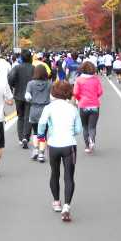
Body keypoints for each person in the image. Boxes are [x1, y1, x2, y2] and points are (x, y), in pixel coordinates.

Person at [37, 80, 81, 222]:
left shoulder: (49, 108)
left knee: (54, 173)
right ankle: (67, 206)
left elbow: (42, 124)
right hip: (69, 145)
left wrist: (42, 136)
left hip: (54, 144)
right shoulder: (73, 108)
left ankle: (56, 202)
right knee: (69, 177)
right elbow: (78, 130)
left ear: (54, 92)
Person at [73, 61, 103, 154]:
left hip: (83, 105)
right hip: (94, 105)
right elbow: (100, 92)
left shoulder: (78, 80)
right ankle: (92, 139)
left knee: (85, 126)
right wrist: (94, 97)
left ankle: (87, 146)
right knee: (92, 126)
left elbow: (75, 93)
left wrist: (79, 99)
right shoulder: (96, 79)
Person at [8, 49, 35, 148]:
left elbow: (10, 78)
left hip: (18, 94)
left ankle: (20, 138)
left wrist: (14, 85)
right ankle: (25, 137)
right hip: (30, 95)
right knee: (28, 117)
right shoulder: (33, 68)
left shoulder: (17, 67)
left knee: (20, 117)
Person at [25, 65, 51, 162]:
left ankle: (35, 149)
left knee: (35, 132)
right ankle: (41, 153)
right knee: (43, 133)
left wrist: (33, 99)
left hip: (34, 109)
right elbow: (52, 97)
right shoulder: (49, 84)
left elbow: (27, 97)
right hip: (46, 110)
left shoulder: (30, 84)